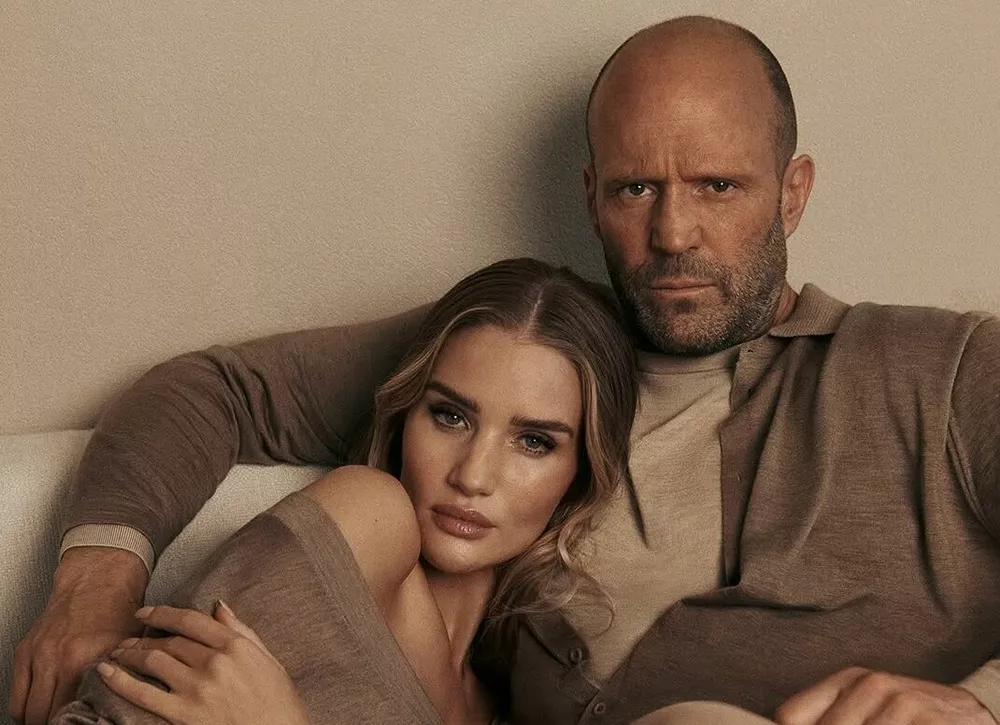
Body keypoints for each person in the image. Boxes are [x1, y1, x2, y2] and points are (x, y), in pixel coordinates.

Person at [11, 14, 1000, 725]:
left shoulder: (943, 369)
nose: (673, 232)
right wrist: (94, 582)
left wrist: (979, 702)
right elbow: (214, 390)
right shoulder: (531, 348)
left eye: (716, 186)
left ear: (792, 193)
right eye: (635, 189)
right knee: (369, 504)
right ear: (591, 194)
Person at [47, 257, 640, 725]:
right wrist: (94, 588)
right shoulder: (367, 518)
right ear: (405, 416)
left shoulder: (524, 701)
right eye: (450, 416)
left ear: (579, 473)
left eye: (534, 442)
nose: (473, 476)